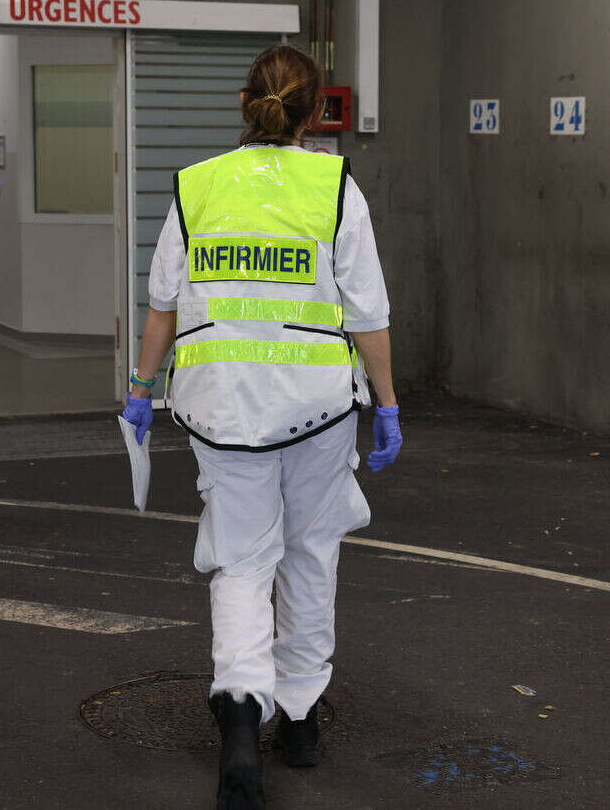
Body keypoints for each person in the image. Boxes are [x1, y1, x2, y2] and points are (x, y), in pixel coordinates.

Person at [121, 44, 402, 810]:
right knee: (311, 553)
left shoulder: (197, 186)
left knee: (241, 561)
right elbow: (367, 314)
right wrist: (387, 403)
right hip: (315, 409)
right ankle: (303, 721)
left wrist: (142, 389)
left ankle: (243, 712)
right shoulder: (335, 185)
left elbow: (163, 305)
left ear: (246, 103)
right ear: (315, 113)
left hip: (221, 409)